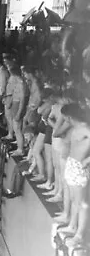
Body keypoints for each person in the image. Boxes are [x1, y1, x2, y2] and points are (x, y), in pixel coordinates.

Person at [57, 103, 90, 247]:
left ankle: (79, 235)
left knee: (82, 203)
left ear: (70, 117)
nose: (65, 121)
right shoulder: (75, 128)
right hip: (72, 164)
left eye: (65, 118)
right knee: (73, 199)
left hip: (79, 167)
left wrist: (88, 160)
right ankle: (72, 226)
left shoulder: (85, 128)